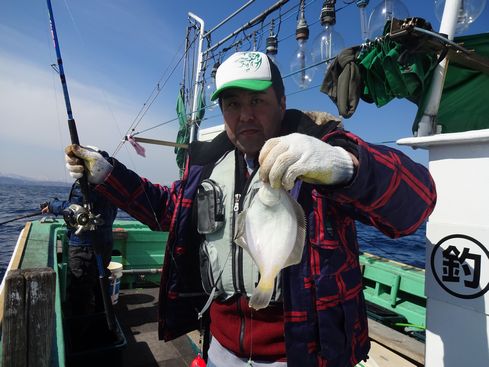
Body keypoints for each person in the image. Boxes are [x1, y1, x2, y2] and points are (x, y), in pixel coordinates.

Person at [63, 51, 436, 366]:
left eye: (257, 101)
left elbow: (417, 204)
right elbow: (166, 209)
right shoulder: (208, 167)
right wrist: (107, 175)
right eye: (233, 104)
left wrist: (347, 167)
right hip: (221, 348)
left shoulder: (322, 151)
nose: (245, 115)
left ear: (282, 102)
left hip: (301, 352)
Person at [42, 174, 118, 316]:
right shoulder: (111, 185)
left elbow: (74, 211)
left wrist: (52, 205)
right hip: (105, 243)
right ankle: (103, 318)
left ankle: (82, 328)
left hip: (83, 246)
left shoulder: (84, 184)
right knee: (99, 282)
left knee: (80, 289)